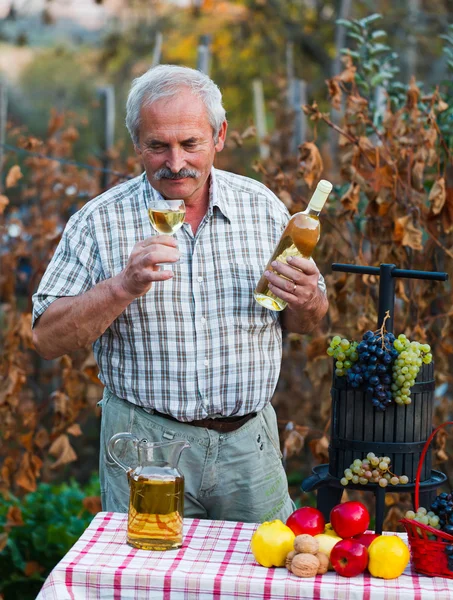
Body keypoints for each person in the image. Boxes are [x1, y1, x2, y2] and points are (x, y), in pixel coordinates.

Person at [32, 64, 328, 523]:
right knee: (146, 578)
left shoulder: (263, 208)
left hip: (249, 448)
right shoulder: (99, 222)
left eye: (190, 143)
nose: (175, 162)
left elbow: (305, 323)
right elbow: (46, 339)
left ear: (220, 135)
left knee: (258, 581)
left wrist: (309, 301)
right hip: (142, 446)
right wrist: (122, 286)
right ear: (137, 144)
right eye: (158, 146)